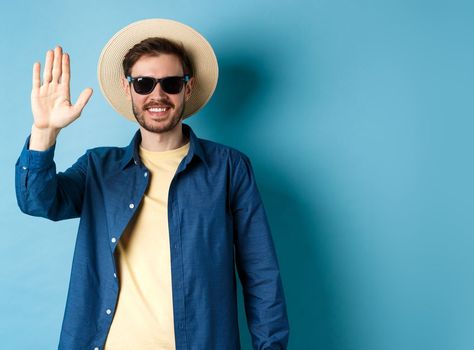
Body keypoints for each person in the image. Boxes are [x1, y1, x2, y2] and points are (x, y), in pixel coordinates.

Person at [15, 19, 289, 350]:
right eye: (144, 83)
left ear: (187, 88)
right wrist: (45, 131)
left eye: (170, 83)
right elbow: (37, 201)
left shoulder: (229, 168)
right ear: (128, 87)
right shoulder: (99, 168)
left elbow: (261, 275)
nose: (157, 95)